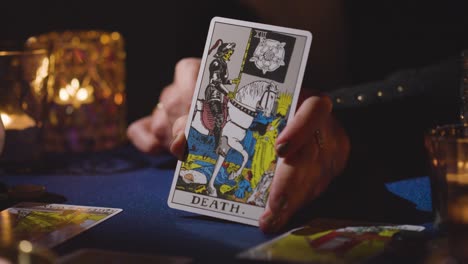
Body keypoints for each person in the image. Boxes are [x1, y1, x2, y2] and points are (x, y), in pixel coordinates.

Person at [127, 1, 468, 233]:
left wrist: (343, 121)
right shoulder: (190, 12)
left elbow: (454, 76)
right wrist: (168, 107)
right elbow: (174, 81)